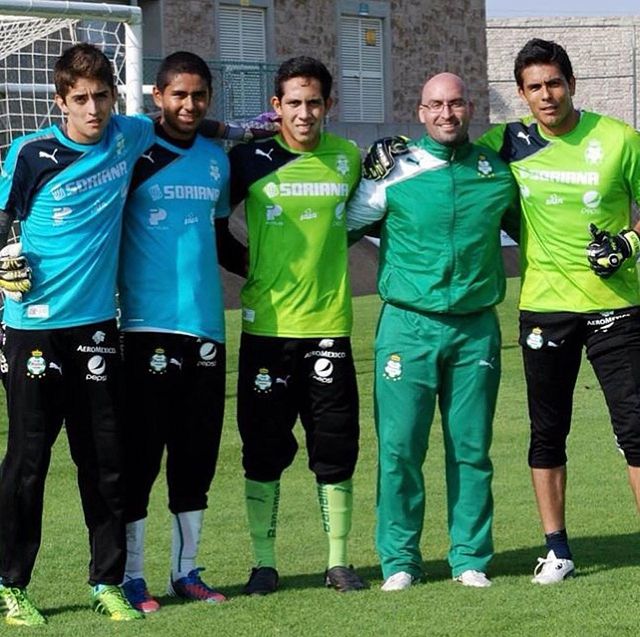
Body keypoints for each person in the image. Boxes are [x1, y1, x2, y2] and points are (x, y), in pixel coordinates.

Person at [0, 43, 156, 625]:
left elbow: (178, 120)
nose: (94, 109)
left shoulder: (127, 135)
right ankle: (10, 586)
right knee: (28, 461)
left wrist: (247, 126)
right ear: (60, 101)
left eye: (102, 97)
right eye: (81, 99)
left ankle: (107, 582)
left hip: (95, 328)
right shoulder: (30, 153)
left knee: (105, 461)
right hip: (32, 330)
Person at [475, 38, 640, 584]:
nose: (546, 96)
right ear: (521, 94)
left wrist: (627, 245)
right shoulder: (507, 142)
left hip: (618, 305)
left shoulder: (618, 139)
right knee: (548, 431)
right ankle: (557, 549)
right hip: (544, 307)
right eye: (534, 88)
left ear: (572, 82)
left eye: (554, 83)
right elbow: (450, 154)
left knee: (636, 430)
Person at [347, 73, 519, 591]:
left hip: (475, 330)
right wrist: (361, 173)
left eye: (457, 103)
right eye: (436, 105)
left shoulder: (496, 174)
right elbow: (342, 228)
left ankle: (469, 556)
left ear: (471, 109)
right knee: (399, 449)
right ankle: (399, 561)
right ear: (420, 112)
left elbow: (538, 230)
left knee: (471, 448)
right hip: (407, 326)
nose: (447, 113)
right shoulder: (395, 168)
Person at [227, 56, 367, 595]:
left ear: (328, 106)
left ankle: (338, 561)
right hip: (267, 329)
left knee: (334, 448)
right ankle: (263, 563)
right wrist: (250, 267)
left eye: (314, 103)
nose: (304, 113)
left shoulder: (349, 158)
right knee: (262, 449)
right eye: (293, 103)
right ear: (276, 107)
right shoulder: (248, 161)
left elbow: (365, 217)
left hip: (329, 326)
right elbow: (217, 224)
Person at [118, 51, 244, 613]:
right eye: (178, 95)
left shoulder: (217, 163)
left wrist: (268, 272)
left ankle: (186, 571)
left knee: (196, 457)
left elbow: (220, 242)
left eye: (199, 96)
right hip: (145, 329)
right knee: (142, 456)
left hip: (207, 330)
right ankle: (132, 575)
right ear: (157, 97)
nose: (189, 105)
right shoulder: (132, 152)